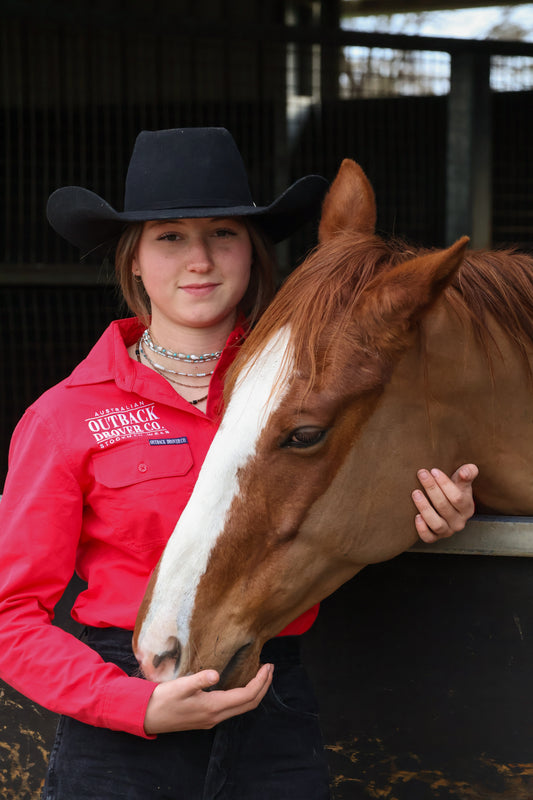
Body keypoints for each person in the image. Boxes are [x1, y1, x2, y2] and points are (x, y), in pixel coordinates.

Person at [0, 127, 478, 800]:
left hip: (273, 709)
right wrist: (129, 706)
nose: (199, 259)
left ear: (252, 253)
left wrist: (435, 509)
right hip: (122, 716)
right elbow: (10, 618)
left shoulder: (316, 395)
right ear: (132, 261)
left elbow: (361, 492)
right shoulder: (65, 416)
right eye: (169, 237)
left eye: (222, 234)